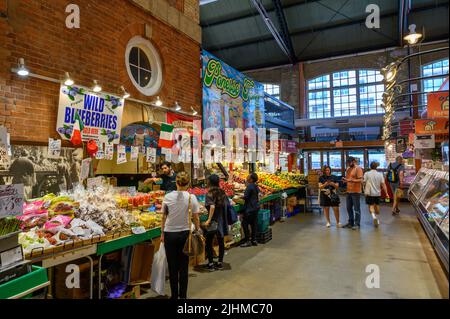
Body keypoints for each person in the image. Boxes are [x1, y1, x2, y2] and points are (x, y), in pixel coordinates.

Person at [161, 172, 201, 299]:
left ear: (176, 183)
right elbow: (196, 217)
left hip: (169, 234)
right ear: (188, 183)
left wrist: (162, 233)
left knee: (172, 267)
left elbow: (163, 216)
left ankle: (174, 296)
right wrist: (198, 230)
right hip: (185, 235)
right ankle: (183, 296)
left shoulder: (167, 196)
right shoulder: (191, 197)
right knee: (183, 267)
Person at [203, 174, 229, 271]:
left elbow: (212, 207)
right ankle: (220, 262)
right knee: (221, 241)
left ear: (209, 182)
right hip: (221, 220)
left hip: (214, 221)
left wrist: (209, 219)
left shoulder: (209, 193)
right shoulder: (222, 192)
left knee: (208, 242)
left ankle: (210, 264)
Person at [364, 161, 389, 227]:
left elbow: (363, 182)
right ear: (376, 167)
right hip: (377, 193)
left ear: (370, 166)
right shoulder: (380, 174)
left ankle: (374, 217)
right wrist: (386, 193)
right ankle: (377, 218)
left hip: (369, 193)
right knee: (377, 206)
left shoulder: (367, 174)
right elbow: (383, 184)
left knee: (371, 206)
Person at [342, 157, 364, 230]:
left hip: (356, 192)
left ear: (354, 161)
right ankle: (350, 222)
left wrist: (352, 180)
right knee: (348, 208)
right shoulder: (348, 169)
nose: (348, 164)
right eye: (348, 162)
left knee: (356, 208)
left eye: (350, 162)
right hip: (348, 191)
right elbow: (348, 179)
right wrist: (345, 180)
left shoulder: (358, 169)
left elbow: (361, 180)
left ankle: (357, 224)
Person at [240, 173, 260, 247]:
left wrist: (238, 197)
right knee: (254, 224)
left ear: (251, 179)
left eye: (249, 176)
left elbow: (245, 197)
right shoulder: (256, 186)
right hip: (256, 207)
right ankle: (254, 240)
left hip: (250, 208)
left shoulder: (249, 187)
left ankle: (247, 241)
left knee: (245, 224)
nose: (247, 176)